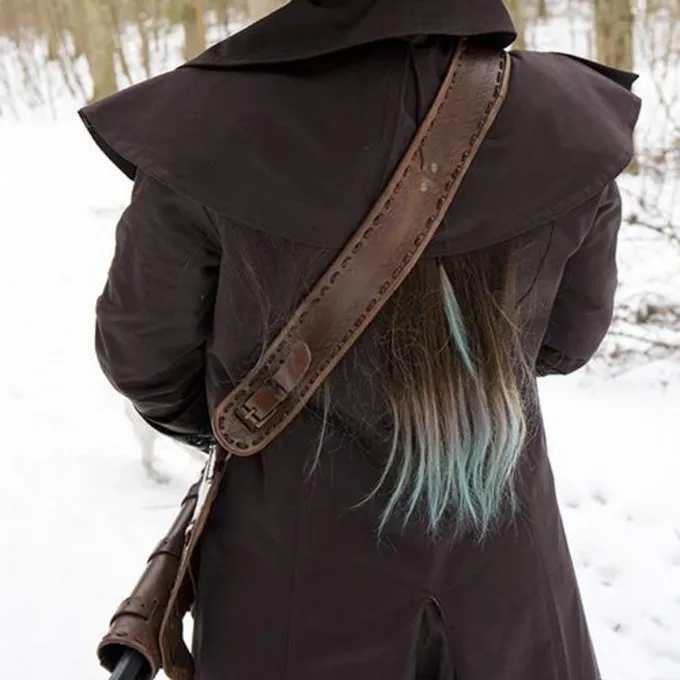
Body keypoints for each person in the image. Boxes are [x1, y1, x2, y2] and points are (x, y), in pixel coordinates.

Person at [80, 0, 641, 678]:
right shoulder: (564, 121)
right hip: (507, 584)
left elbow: (143, 355)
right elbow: (567, 341)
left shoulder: (208, 128)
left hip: (292, 581)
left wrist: (261, 433)